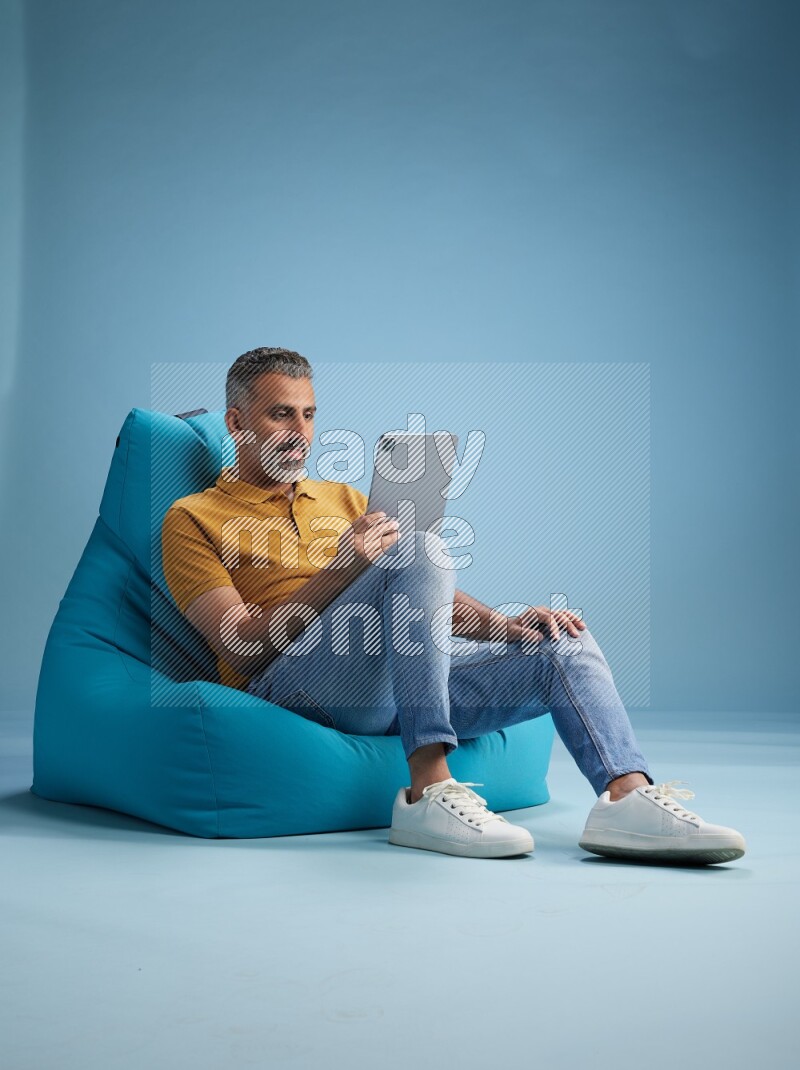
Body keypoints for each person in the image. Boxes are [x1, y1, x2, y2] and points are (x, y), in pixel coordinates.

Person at [161, 347, 747, 864]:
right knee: (414, 547)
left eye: (310, 414)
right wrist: (346, 565)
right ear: (237, 423)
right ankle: (427, 790)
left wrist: (506, 626)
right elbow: (239, 644)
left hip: (392, 684)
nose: (302, 431)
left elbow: (420, 585)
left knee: (559, 643)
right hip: (295, 688)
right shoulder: (192, 518)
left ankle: (626, 797)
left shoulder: (343, 498)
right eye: (280, 413)